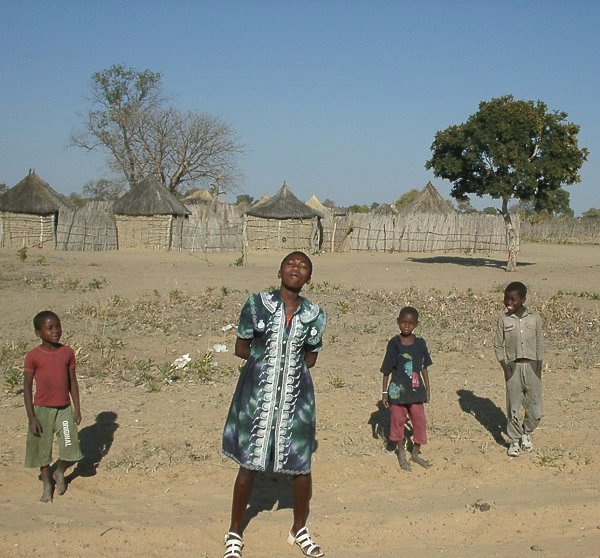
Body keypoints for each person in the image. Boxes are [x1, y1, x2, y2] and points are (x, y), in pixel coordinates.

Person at [222, 251, 326, 558]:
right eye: (291, 263)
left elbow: (311, 357)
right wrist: (268, 365)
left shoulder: (315, 315)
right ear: (279, 271)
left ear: (309, 278)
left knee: (301, 467)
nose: (296, 268)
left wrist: (288, 370)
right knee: (250, 464)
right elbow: (242, 346)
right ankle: (234, 531)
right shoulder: (256, 304)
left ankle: (299, 529)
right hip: (258, 393)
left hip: (297, 397)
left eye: (303, 266)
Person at [23, 310, 83, 502]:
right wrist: (31, 417)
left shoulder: (67, 353)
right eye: (50, 328)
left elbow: (72, 381)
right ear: (38, 333)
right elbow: (26, 387)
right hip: (42, 410)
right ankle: (47, 483)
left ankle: (59, 470)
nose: (56, 331)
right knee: (42, 448)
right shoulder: (33, 356)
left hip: (63, 409)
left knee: (70, 444)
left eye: (58, 326)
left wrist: (77, 408)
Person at [494, 281, 544, 457]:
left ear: (522, 299)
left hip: (532, 367)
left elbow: (539, 343)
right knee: (513, 407)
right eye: (506, 299)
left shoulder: (534, 318)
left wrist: (538, 368)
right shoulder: (503, 319)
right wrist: (505, 368)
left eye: (513, 299)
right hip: (513, 368)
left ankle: (527, 433)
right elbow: (498, 346)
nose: (508, 302)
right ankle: (514, 440)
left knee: (535, 409)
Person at [380, 306, 432, 471]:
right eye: (403, 322)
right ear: (398, 322)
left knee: (419, 421)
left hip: (416, 391)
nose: (407, 326)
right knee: (397, 421)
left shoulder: (420, 344)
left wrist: (428, 389)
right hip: (397, 392)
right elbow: (386, 369)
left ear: (416, 324)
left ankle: (415, 452)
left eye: (410, 323)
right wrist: (384, 392)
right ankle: (401, 452)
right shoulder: (394, 344)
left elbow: (424, 367)